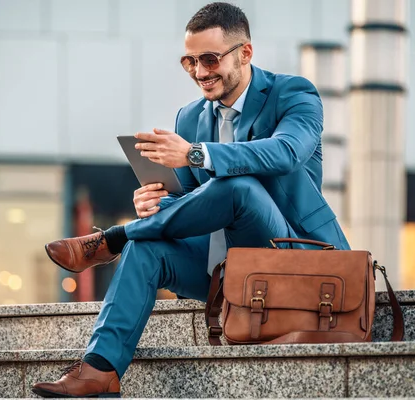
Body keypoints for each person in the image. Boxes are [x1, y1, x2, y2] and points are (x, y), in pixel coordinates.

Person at [31, 2, 350, 397]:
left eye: (211, 59)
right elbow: (190, 203)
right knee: (147, 248)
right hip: (222, 269)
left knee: (237, 186)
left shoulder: (293, 94)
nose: (200, 72)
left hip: (295, 260)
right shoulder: (190, 117)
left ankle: (113, 238)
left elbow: (285, 153)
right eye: (190, 61)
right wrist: (153, 203)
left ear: (244, 53)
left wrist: (198, 155)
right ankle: (100, 370)